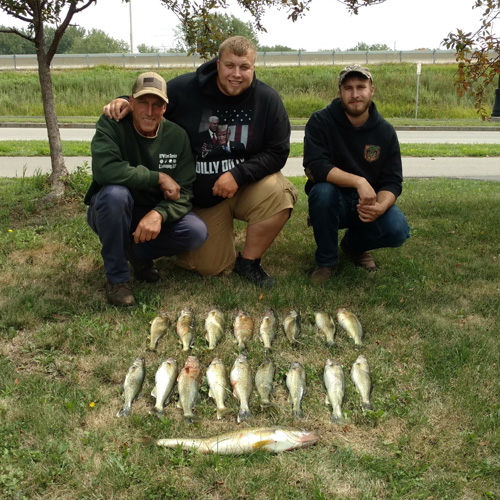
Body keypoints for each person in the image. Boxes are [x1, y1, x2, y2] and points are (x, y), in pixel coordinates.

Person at [104, 36, 298, 288]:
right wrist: (122, 100)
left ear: (253, 68)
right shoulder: (186, 89)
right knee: (212, 266)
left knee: (279, 192)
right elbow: (151, 101)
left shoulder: (267, 99)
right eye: (230, 65)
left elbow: (278, 151)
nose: (236, 74)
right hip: (200, 199)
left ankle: (249, 262)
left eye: (244, 67)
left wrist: (238, 175)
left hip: (243, 187)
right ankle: (149, 250)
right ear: (218, 64)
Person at [85, 72, 208, 306]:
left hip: (150, 211)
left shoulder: (177, 136)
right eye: (143, 103)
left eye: (157, 104)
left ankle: (137, 254)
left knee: (195, 231)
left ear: (165, 108)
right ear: (130, 102)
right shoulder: (112, 123)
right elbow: (105, 170)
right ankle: (118, 280)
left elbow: (185, 192)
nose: (149, 112)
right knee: (115, 194)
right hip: (112, 208)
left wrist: (159, 214)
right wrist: (158, 177)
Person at [303, 64, 410, 284]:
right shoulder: (320, 121)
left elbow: (393, 181)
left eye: (361, 87)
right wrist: (358, 181)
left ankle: (354, 246)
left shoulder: (385, 131)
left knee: (398, 229)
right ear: (340, 92)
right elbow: (316, 165)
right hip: (334, 201)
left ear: (372, 90)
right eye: (348, 88)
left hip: (368, 203)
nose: (355, 94)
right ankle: (326, 262)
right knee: (322, 192)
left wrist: (380, 206)